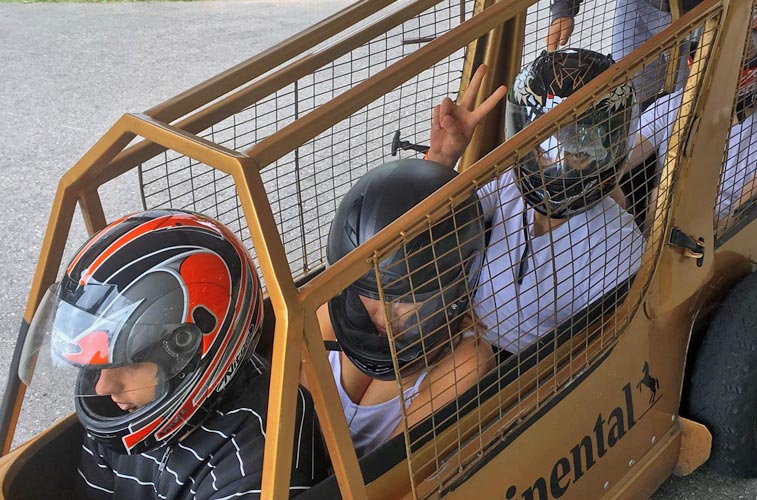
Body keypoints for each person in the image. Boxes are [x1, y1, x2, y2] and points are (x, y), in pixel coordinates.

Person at [21, 209, 328, 499]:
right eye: (96, 366)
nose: (102, 387)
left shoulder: (257, 464)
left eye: (127, 364)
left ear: (188, 352)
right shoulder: (122, 410)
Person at [427, 50, 645, 354]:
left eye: (578, 153)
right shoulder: (507, 185)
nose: (556, 167)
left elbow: (599, 357)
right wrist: (441, 158)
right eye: (543, 148)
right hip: (457, 336)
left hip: (523, 377)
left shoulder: (616, 242)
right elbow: (431, 230)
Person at [314, 158, 495, 457]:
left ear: (453, 287)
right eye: (371, 293)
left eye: (404, 298)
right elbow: (292, 423)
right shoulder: (336, 313)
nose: (384, 316)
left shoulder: (465, 362)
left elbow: (386, 469)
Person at [625, 0, 757, 225]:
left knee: (665, 197)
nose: (723, 52)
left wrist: (672, 202)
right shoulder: (677, 103)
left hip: (720, 244)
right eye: (715, 39)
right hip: (660, 233)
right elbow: (623, 161)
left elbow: (738, 220)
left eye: (742, 47)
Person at [547, 0, 701, 106]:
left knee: (685, 102)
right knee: (625, 94)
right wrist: (563, 9)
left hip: (697, 11)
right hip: (639, 5)